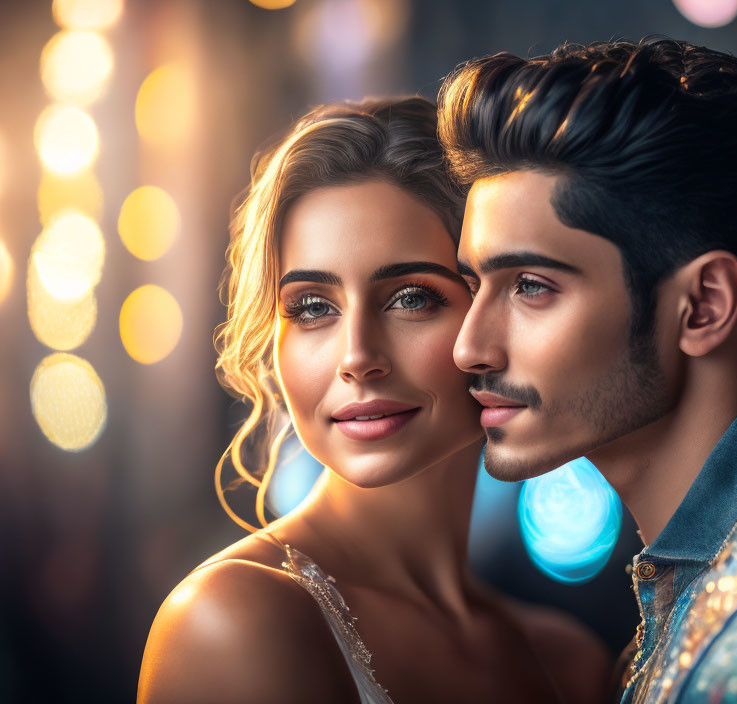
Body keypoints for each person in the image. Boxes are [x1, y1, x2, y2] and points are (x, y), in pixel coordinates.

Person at [437, 38, 737, 702]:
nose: (468, 347)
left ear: (703, 306)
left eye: (531, 286)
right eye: (471, 285)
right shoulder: (733, 576)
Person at [136, 97, 610, 704]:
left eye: (411, 297)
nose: (357, 356)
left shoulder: (569, 662)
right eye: (312, 308)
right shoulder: (235, 619)